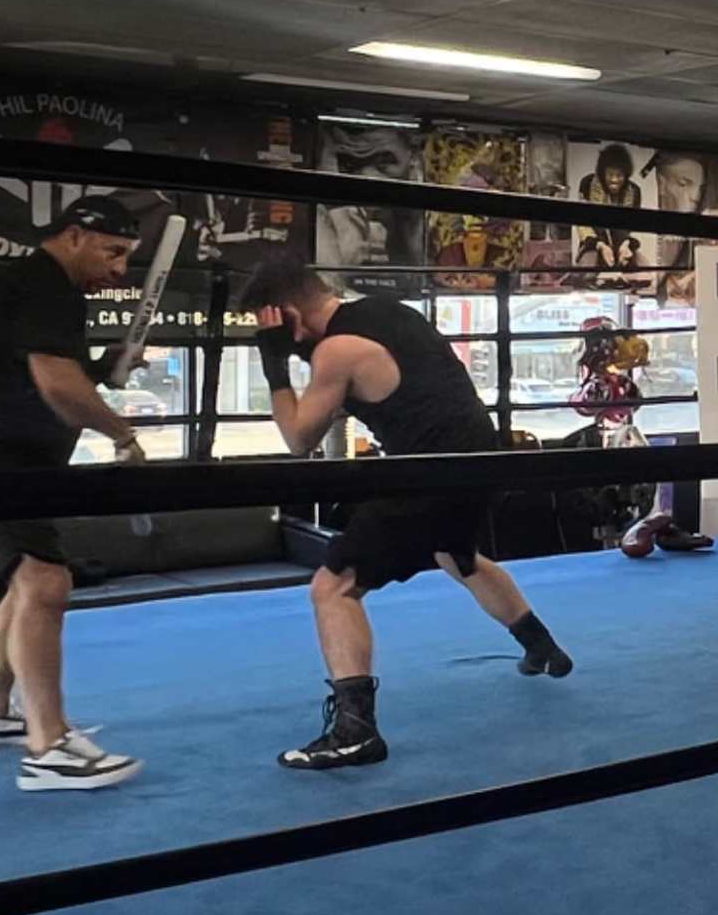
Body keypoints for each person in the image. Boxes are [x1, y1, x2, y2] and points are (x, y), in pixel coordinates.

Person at [237, 249, 572, 769]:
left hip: (427, 476)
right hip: (479, 461)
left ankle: (355, 731)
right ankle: (542, 647)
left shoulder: (337, 352)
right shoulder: (389, 311)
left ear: (287, 315)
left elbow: (298, 437)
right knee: (455, 554)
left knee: (334, 586)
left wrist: (274, 364)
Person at [0, 195, 151, 790]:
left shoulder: (47, 289)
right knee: (46, 582)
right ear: (74, 235)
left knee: (25, 587)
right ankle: (48, 747)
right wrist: (123, 436)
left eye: (127, 257)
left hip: (0, 464)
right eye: (113, 251)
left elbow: (45, 372)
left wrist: (103, 369)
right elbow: (56, 386)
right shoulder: (43, 282)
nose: (119, 269)